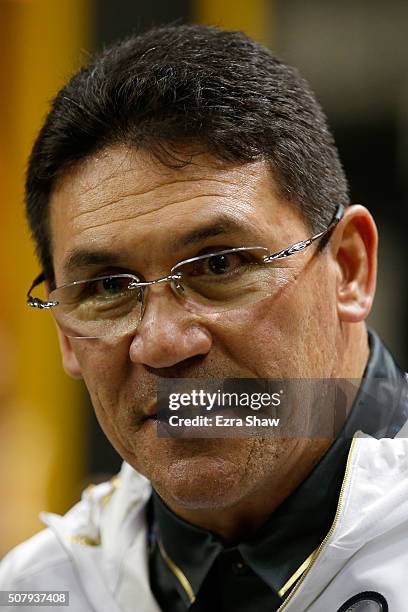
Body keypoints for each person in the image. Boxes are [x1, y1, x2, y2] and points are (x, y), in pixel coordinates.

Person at [1, 23, 407, 612]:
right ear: (66, 333)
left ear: (348, 268)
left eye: (218, 265)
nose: (163, 343)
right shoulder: (41, 593)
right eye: (108, 287)